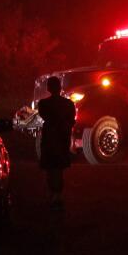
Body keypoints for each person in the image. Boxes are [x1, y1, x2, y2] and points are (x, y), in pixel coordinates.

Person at [34, 75, 76, 209]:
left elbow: (45, 116)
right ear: (60, 87)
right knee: (58, 169)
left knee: (50, 168)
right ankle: (57, 195)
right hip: (62, 138)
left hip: (49, 139)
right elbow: (71, 121)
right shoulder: (68, 104)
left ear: (48, 88)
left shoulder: (43, 104)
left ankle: (53, 194)